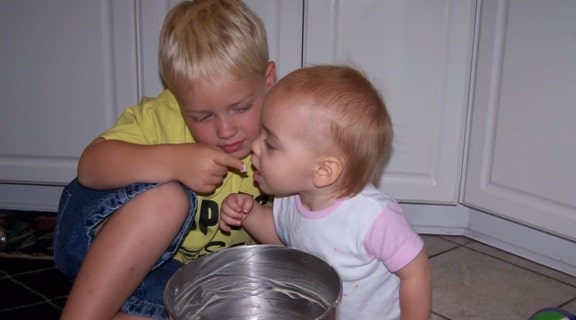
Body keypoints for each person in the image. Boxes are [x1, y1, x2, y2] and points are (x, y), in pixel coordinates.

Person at [53, 0, 276, 319]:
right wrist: (173, 161)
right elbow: (89, 168)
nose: (225, 130)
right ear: (176, 96)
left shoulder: (285, 135)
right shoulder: (160, 117)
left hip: (180, 282)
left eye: (241, 108)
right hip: (97, 251)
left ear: (269, 81)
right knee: (168, 199)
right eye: (201, 116)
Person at [220, 65, 433, 319]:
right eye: (261, 133)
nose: (255, 146)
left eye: (271, 143)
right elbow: (285, 235)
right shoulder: (290, 196)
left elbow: (416, 272)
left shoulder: (372, 217)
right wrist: (251, 214)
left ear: (323, 170)